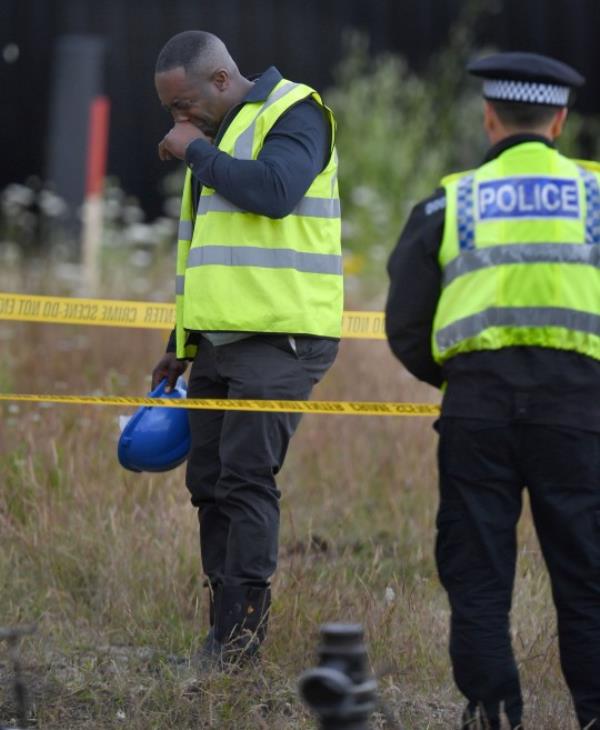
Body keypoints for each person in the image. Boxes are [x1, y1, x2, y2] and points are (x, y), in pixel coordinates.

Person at [385, 52, 600, 729]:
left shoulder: (451, 201)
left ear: (489, 118)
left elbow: (406, 325)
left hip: (477, 411)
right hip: (580, 413)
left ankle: (492, 713)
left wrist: (461, 380)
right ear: (560, 121)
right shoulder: (596, 200)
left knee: (478, 576)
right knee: (588, 576)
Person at [151, 31, 342, 668]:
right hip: (220, 343)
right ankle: (221, 631)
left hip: (281, 338)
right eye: (172, 111)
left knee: (244, 480)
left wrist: (196, 150)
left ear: (222, 82)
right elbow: (210, 259)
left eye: (183, 106)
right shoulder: (221, 141)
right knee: (207, 481)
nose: (178, 121)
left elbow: (275, 192)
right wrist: (180, 342)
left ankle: (236, 649)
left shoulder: (295, 112)